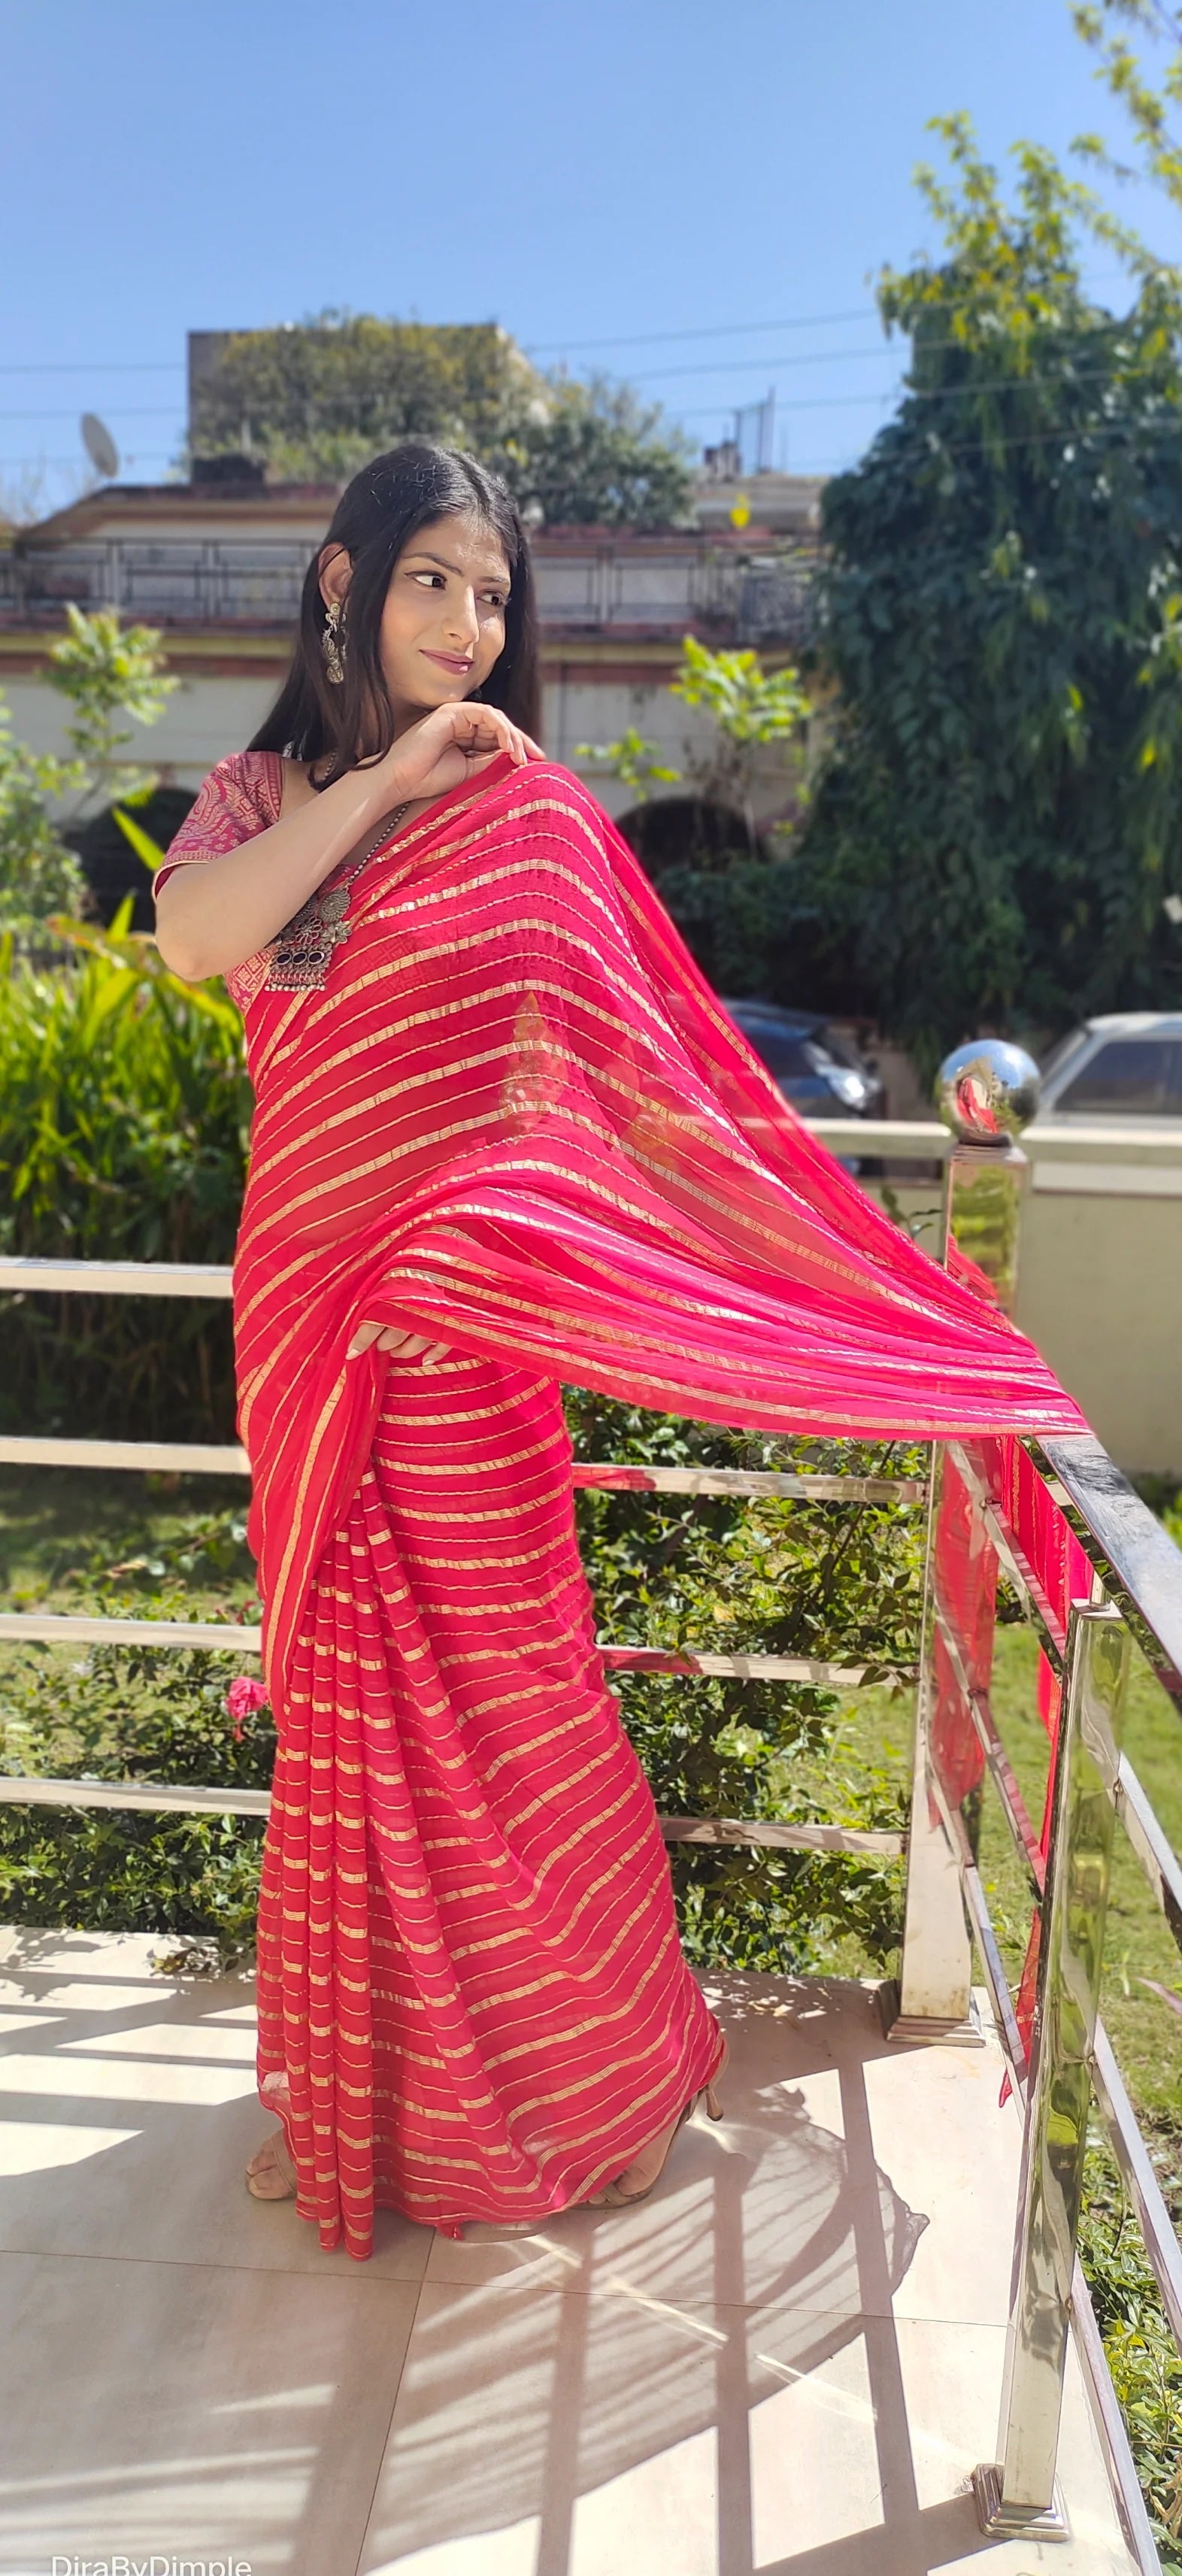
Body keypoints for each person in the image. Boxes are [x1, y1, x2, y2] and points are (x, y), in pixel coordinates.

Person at [153, 441, 1084, 2261]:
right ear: (344, 582)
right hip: (312, 1321)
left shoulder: (540, 816)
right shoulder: (263, 790)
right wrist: (386, 778)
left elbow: (633, 1085)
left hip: (474, 1340)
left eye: (493, 596)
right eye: (434, 579)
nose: (470, 624)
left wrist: (805, 1272)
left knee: (517, 1708)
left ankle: (593, 2090)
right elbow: (198, 939)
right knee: (346, 1732)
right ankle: (352, 2100)